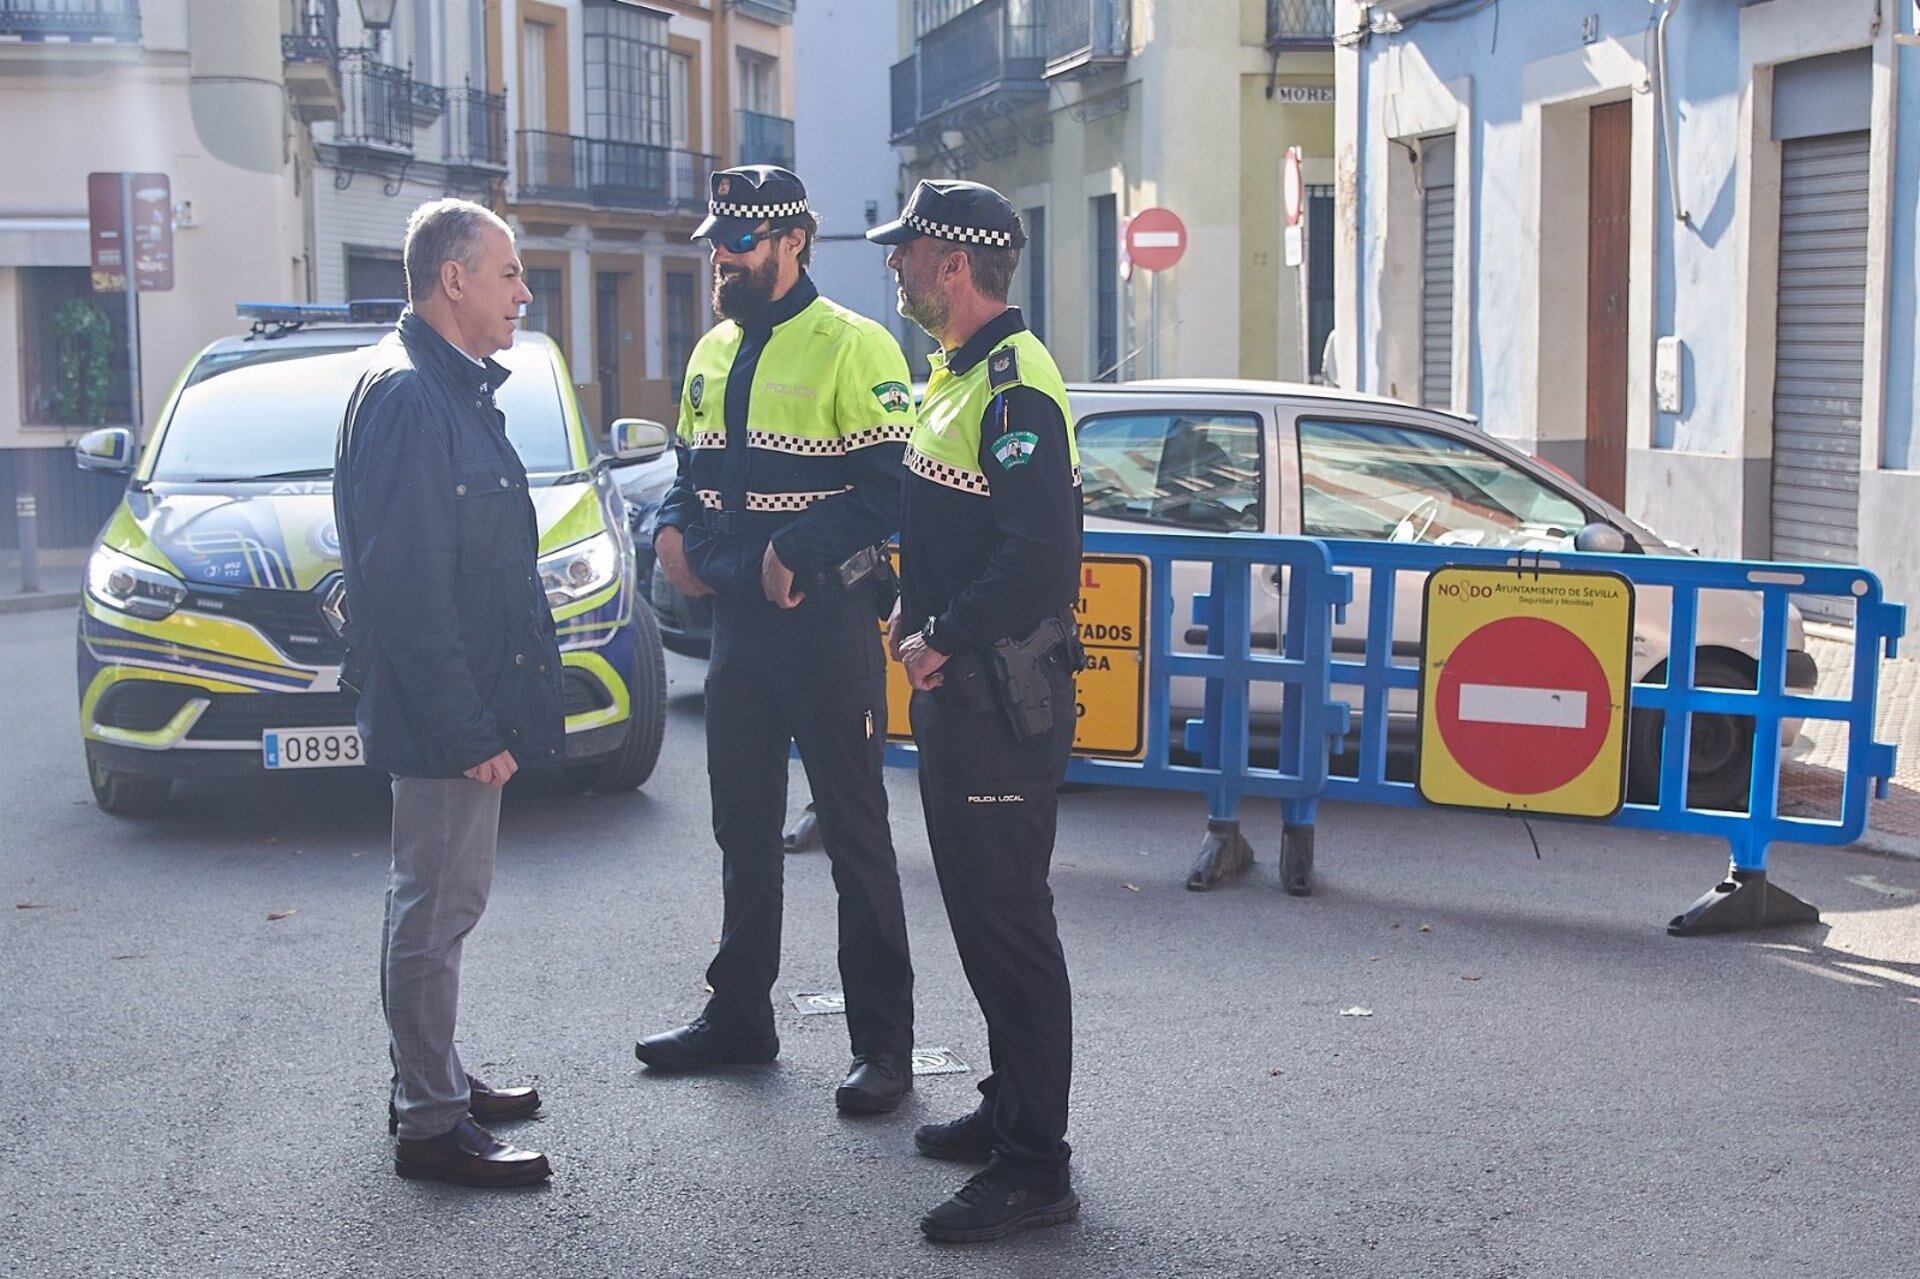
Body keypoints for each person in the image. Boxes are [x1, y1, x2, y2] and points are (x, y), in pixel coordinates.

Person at [635, 165, 919, 1117]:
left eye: (741, 242)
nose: (723, 257)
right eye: (718, 241)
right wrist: (670, 527)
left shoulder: (855, 344)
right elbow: (691, 469)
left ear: (794, 241)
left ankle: (884, 1046)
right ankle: (741, 1019)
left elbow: (891, 490)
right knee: (740, 828)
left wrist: (796, 547)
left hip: (829, 623)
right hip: (739, 630)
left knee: (853, 835)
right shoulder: (712, 349)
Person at [868, 180, 1085, 1242]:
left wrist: (941, 635)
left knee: (1009, 924)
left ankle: (1035, 1166)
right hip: (969, 694)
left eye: (905, 252)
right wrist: (915, 609)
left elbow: (1039, 557)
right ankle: (1012, 1105)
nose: (895, 267)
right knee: (984, 917)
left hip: (1003, 697)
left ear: (954, 264)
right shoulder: (955, 376)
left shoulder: (1013, 384)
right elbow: (954, 528)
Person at [333, 197, 557, 1188]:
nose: (522, 291)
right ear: (452, 280)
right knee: (433, 907)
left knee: (440, 903)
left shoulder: (445, 386)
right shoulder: (409, 397)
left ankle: (436, 1078)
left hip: (457, 703)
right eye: (507, 273)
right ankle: (429, 1122)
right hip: (441, 715)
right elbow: (407, 586)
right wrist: (467, 725)